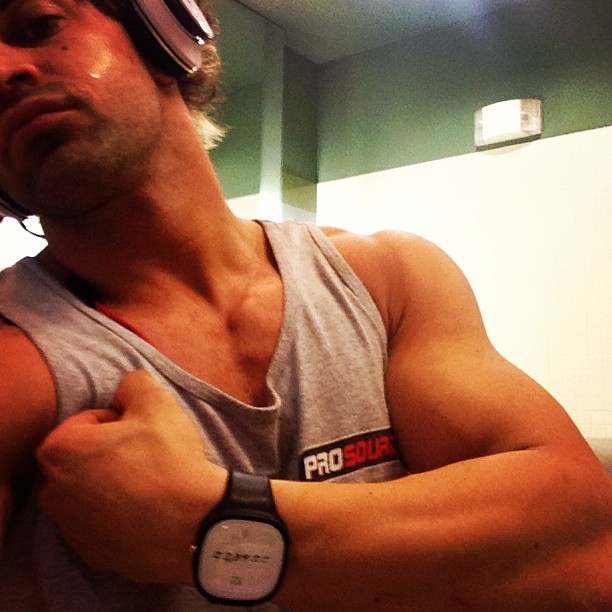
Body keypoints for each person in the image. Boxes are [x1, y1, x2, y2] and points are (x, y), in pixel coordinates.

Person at [0, 0, 610, 609]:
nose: (3, 71)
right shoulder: (12, 361)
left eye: (38, 25)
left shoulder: (389, 279)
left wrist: (209, 522)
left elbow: (582, 540)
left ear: (164, 31)